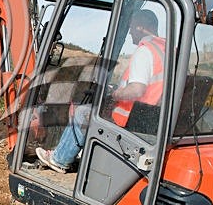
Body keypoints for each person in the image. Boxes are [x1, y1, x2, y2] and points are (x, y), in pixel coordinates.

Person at [36, 9, 166, 172]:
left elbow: (137, 89)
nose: (130, 31)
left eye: (132, 26)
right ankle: (80, 152)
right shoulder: (165, 49)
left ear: (141, 27)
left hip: (132, 122)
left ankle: (59, 159)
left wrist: (114, 95)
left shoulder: (145, 51)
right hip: (152, 119)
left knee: (83, 112)